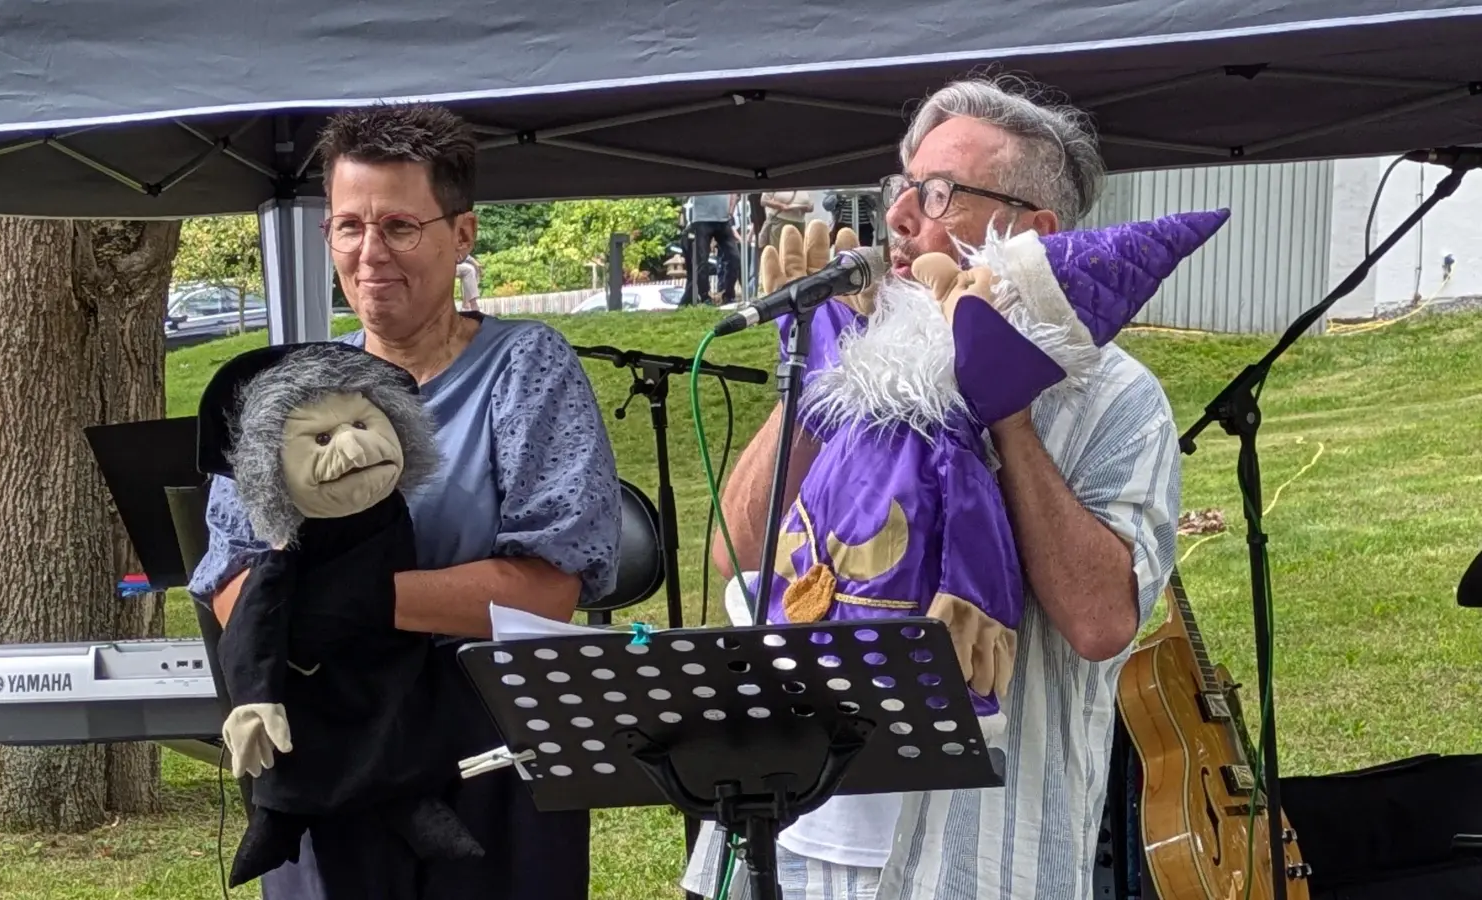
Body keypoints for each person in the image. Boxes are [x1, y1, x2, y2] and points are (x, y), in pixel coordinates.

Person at [681, 74, 1181, 900]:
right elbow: (738, 546)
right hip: (791, 837)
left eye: (939, 192)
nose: (902, 218)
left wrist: (1008, 408)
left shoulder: (1118, 399)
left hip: (974, 858)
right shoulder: (855, 343)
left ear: (1032, 231)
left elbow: (1099, 624)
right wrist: (823, 376)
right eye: (901, 188)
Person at [187, 101, 621, 900]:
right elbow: (228, 577)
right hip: (328, 761)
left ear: (463, 234)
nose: (369, 253)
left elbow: (548, 588)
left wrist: (345, 602)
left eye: (399, 227)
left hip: (491, 758)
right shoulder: (289, 392)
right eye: (348, 227)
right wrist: (322, 613)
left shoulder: (525, 370)